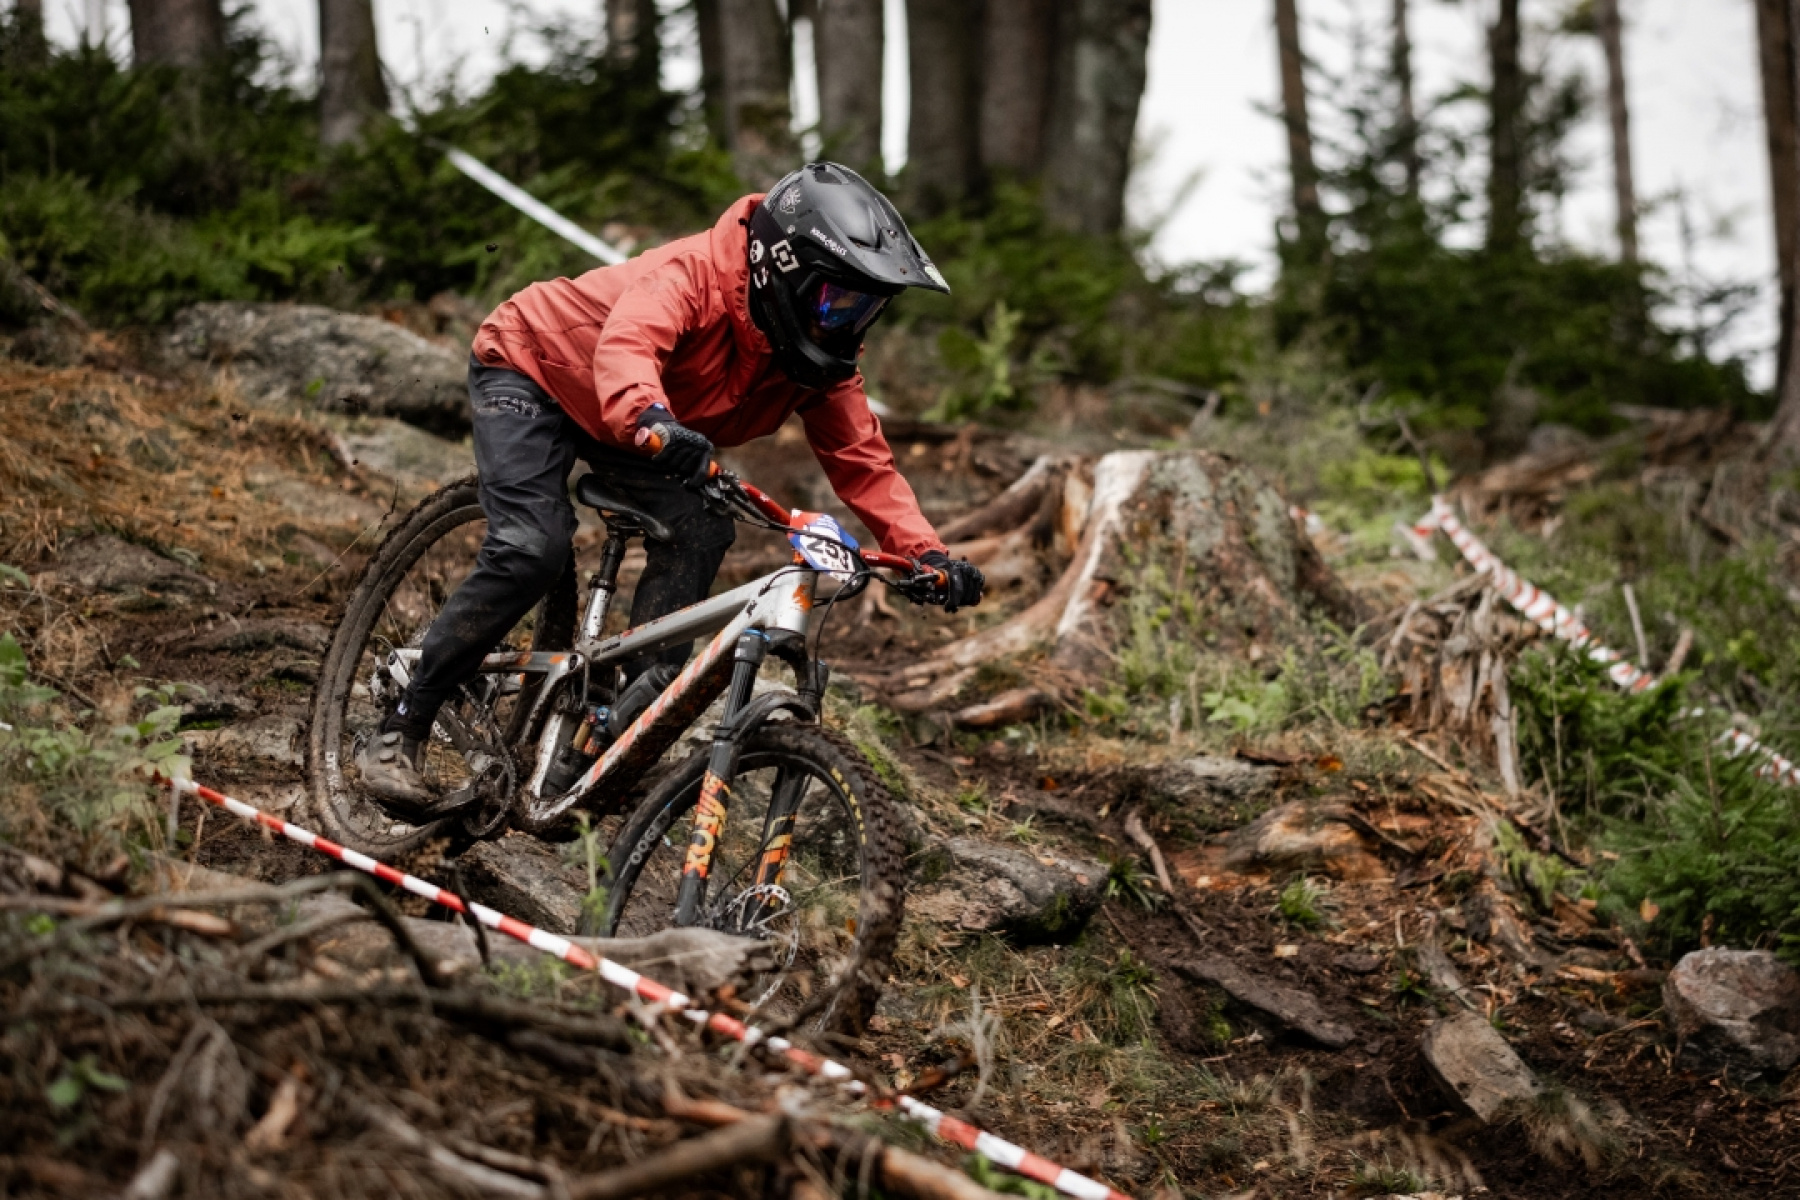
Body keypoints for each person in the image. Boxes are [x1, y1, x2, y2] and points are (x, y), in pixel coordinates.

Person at [358, 162, 986, 806]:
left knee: (702, 528)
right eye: (837, 301)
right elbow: (629, 343)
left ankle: (616, 733)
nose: (847, 324)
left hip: (641, 420)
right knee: (532, 547)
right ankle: (405, 719)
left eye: (865, 310)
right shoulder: (695, 277)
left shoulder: (816, 364)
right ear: (782, 268)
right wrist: (651, 418)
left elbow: (864, 461)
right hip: (537, 369)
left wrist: (926, 555)